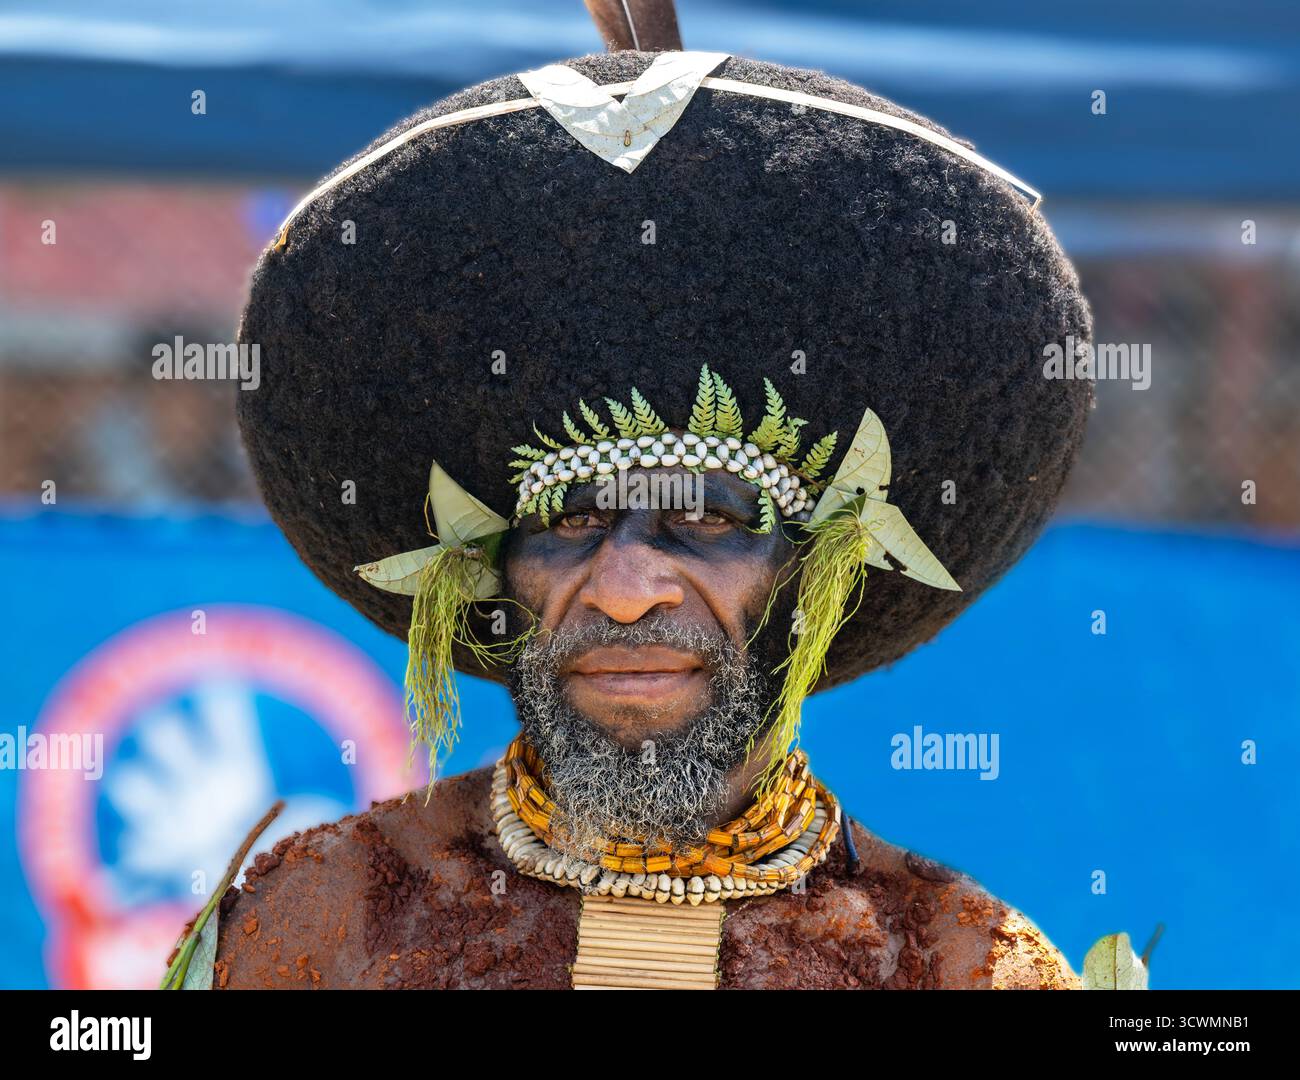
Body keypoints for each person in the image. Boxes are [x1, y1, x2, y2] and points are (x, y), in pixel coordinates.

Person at [173, 8, 1096, 990]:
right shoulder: (325, 918)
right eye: (569, 523)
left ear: (808, 568)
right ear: (495, 572)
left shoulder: (957, 963)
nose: (622, 590)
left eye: (705, 523)